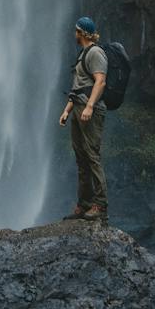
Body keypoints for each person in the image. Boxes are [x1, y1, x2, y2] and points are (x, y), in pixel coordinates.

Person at [58, 15, 109, 221]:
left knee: (92, 157)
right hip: (78, 109)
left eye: (76, 30)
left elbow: (101, 82)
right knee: (81, 159)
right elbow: (78, 88)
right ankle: (84, 204)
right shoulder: (82, 55)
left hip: (90, 111)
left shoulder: (96, 52)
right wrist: (67, 110)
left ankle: (100, 205)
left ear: (82, 32)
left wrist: (89, 106)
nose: (74, 34)